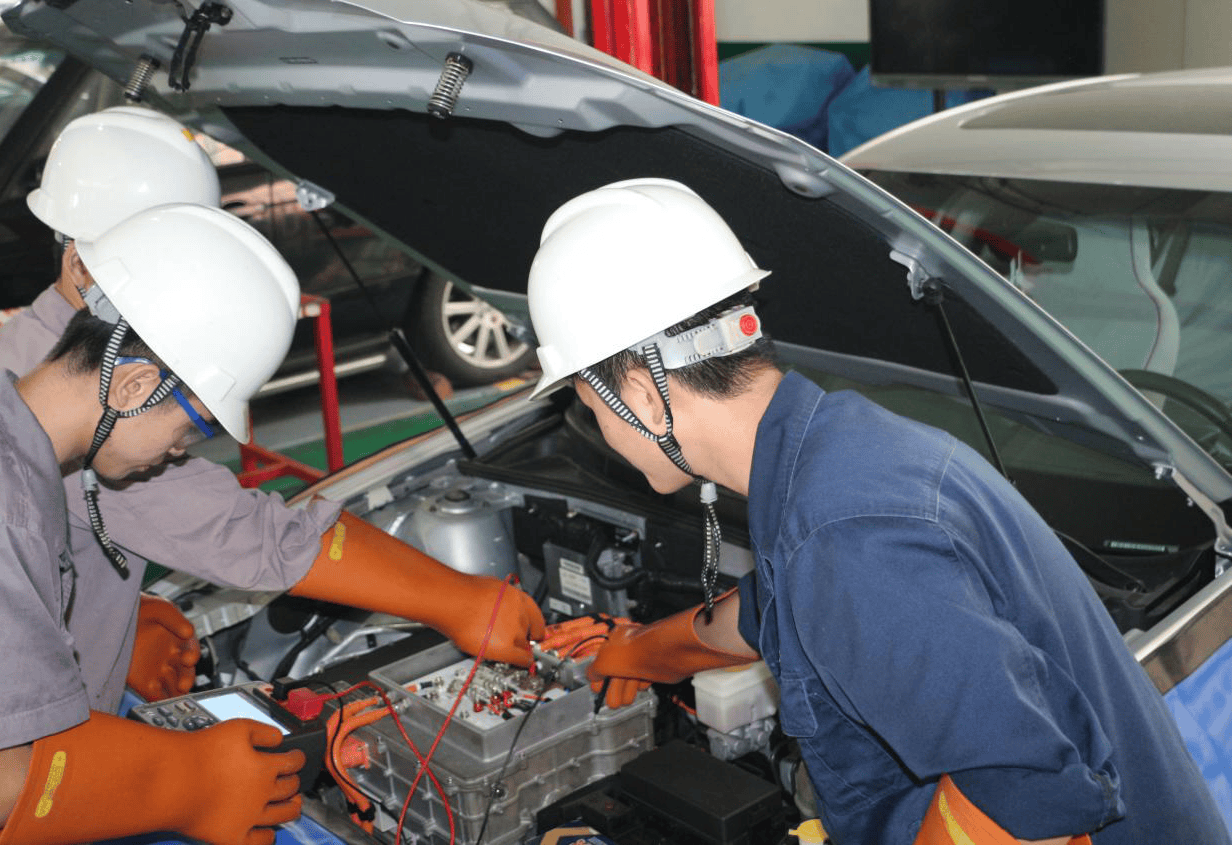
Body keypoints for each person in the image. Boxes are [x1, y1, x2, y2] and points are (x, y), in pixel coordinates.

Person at [525, 178, 1229, 845]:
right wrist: (639, 649)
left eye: (590, 406)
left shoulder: (850, 533)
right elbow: (766, 612)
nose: (602, 433)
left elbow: (1027, 797)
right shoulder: (832, 453)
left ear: (642, 394)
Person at [0, 106, 544, 718]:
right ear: (82, 261)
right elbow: (249, 537)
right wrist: (460, 600)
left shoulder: (17, 357)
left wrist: (113, 615)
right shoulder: (96, 408)